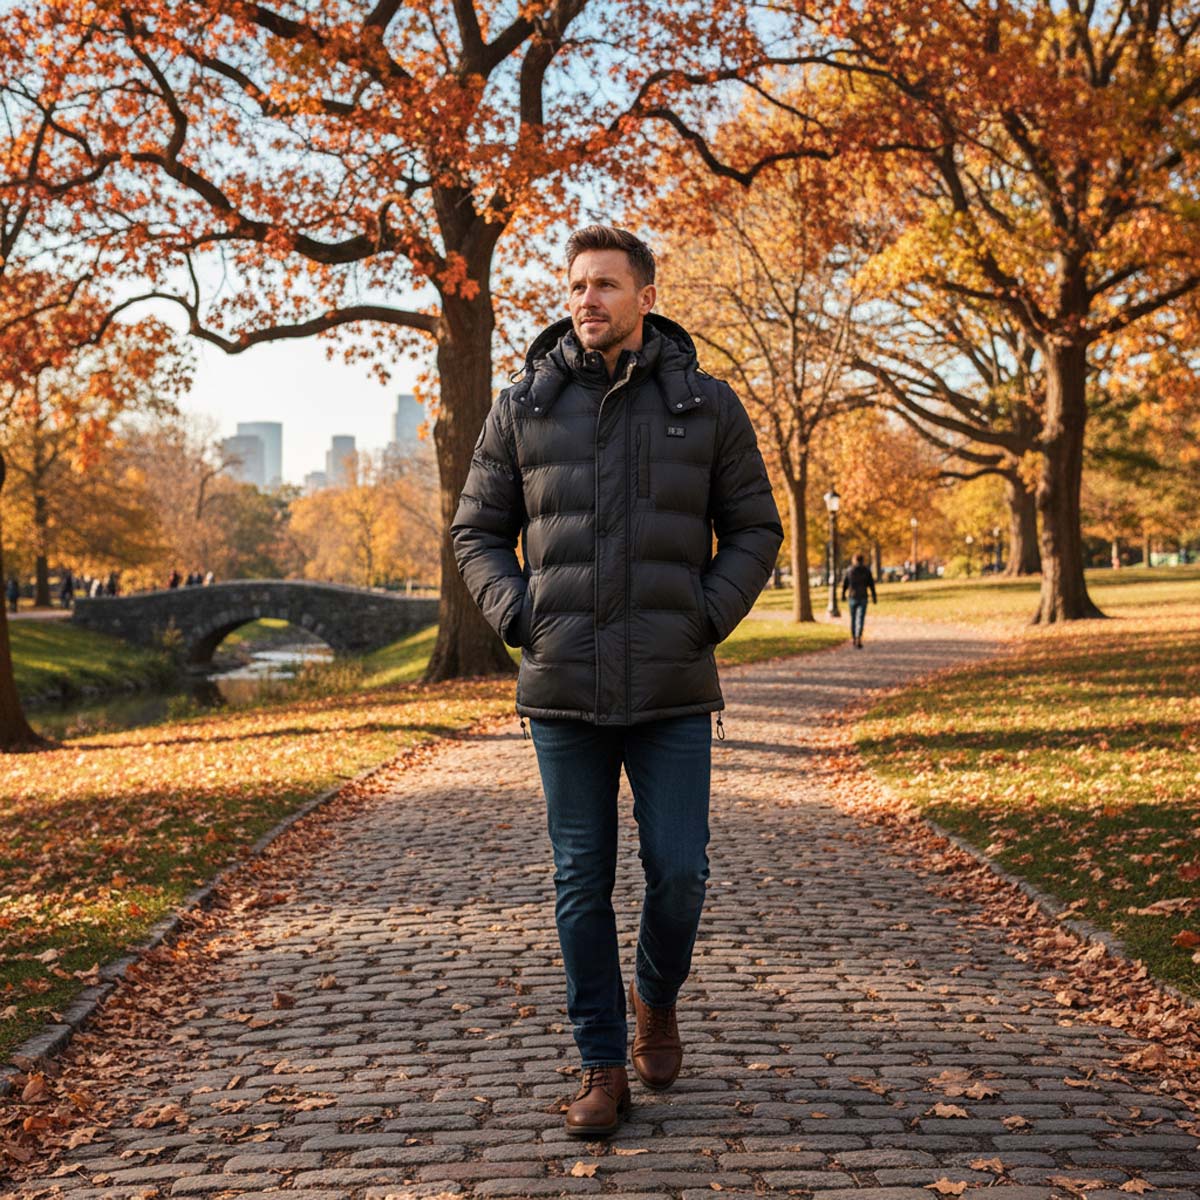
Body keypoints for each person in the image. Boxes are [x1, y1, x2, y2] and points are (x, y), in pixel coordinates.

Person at [452, 224, 783, 1139]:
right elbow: (475, 531)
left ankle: (656, 995)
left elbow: (756, 527)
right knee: (578, 882)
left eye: (604, 285)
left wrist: (703, 615)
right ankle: (602, 1063)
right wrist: (524, 619)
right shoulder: (523, 405)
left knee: (680, 873)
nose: (585, 300)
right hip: (563, 688)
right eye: (574, 286)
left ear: (646, 294)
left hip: (673, 684)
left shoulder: (707, 406)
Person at [841, 552, 878, 648]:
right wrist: (874, 596)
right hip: (863, 597)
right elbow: (871, 584)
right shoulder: (866, 570)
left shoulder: (850, 570)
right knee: (860, 618)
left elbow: (845, 584)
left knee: (853, 618)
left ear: (854, 560)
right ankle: (858, 636)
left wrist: (843, 595)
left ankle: (854, 637)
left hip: (852, 597)